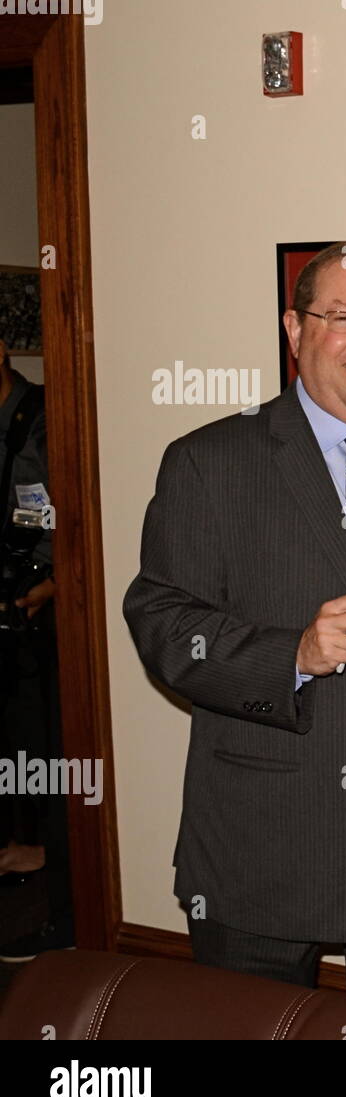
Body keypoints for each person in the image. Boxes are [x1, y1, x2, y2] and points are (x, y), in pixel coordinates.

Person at [123, 240, 346, 1039]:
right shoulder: (210, 462)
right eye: (343, 318)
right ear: (294, 329)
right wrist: (291, 654)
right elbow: (160, 620)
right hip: (264, 840)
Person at [0, 338, 72, 962]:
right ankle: (30, 844)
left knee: (49, 737)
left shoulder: (49, 416)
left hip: (49, 608)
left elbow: (59, 514)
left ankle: (54, 865)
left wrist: (50, 582)